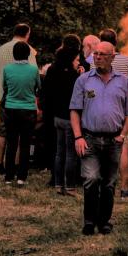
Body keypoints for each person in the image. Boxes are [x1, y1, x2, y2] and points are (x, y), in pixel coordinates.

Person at [70, 41, 128, 235]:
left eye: (102, 54)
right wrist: (78, 137)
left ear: (112, 57)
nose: (98, 57)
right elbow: (75, 110)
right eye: (96, 54)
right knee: (91, 179)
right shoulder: (84, 80)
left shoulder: (124, 82)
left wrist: (123, 135)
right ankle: (89, 221)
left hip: (113, 141)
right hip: (90, 138)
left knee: (109, 183)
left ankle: (104, 221)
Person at [96, 29, 128, 198]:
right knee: (123, 148)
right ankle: (124, 187)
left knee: (100, 148)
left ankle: (102, 183)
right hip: (120, 108)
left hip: (101, 107)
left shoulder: (96, 60)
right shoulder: (126, 60)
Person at [0, 24, 37, 174]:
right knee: (19, 135)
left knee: (2, 132)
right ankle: (16, 165)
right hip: (23, 100)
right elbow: (33, 74)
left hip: (5, 98)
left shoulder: (1, 49)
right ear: (27, 34)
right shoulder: (28, 50)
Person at [42, 46, 81, 195]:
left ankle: (58, 184)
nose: (78, 62)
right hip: (70, 118)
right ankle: (70, 185)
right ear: (70, 60)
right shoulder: (73, 76)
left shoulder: (52, 70)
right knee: (71, 154)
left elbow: (46, 92)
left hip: (57, 117)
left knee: (59, 152)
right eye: (77, 60)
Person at [2, 42, 41, 185]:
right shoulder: (33, 70)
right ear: (28, 54)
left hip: (11, 108)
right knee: (25, 144)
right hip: (28, 109)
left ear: (14, 54)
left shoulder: (7, 69)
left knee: (11, 142)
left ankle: (8, 175)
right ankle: (21, 177)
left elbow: (5, 86)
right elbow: (38, 87)